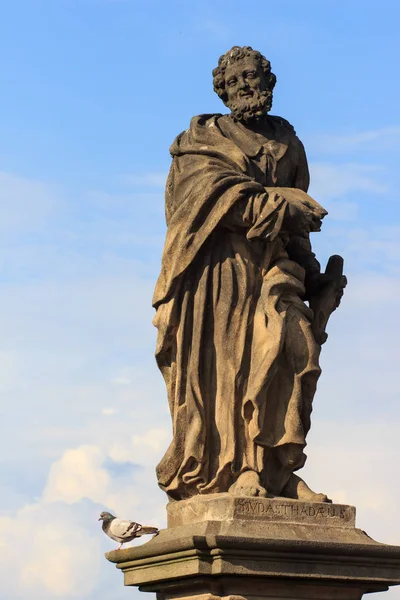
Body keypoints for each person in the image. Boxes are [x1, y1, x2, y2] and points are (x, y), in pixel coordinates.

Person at [153, 46, 343, 502]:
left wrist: (316, 278)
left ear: (269, 82)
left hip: (277, 269)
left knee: (290, 353)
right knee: (231, 369)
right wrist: (279, 203)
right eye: (234, 79)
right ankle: (238, 470)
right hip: (220, 274)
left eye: (252, 76)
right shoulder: (202, 142)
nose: (244, 85)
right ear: (221, 89)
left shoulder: (288, 143)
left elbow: (300, 223)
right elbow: (200, 205)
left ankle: (279, 470)